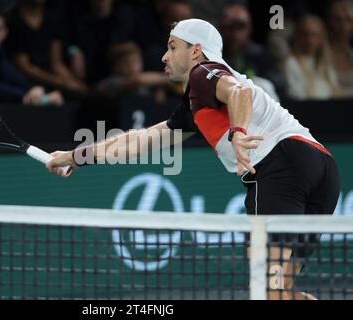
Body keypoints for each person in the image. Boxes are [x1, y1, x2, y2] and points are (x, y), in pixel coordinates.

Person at [46, 18, 340, 300]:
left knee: (265, 287)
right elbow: (140, 141)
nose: (164, 56)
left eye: (173, 47)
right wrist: (75, 156)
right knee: (276, 290)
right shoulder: (194, 105)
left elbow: (240, 94)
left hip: (282, 166)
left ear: (195, 50)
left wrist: (238, 132)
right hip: (321, 171)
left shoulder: (204, 74)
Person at [284, 15, 341, 100]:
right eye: (305, 34)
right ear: (297, 36)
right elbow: (297, 97)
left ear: (321, 38)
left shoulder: (326, 63)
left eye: (314, 35)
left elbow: (336, 92)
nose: (309, 40)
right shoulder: (291, 63)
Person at [327, 0, 353, 98]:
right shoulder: (320, 56)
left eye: (348, 20)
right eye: (338, 20)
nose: (343, 26)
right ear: (330, 21)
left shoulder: (351, 55)